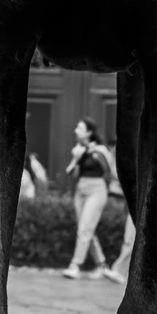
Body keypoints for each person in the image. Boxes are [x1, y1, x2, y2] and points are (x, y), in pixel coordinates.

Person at [62, 119, 118, 280]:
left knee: (84, 229)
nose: (75, 131)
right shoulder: (78, 150)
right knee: (86, 229)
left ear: (89, 132)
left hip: (97, 190)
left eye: (79, 128)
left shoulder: (100, 149)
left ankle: (75, 265)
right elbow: (72, 174)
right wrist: (76, 158)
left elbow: (110, 170)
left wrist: (96, 154)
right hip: (80, 190)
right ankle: (102, 265)